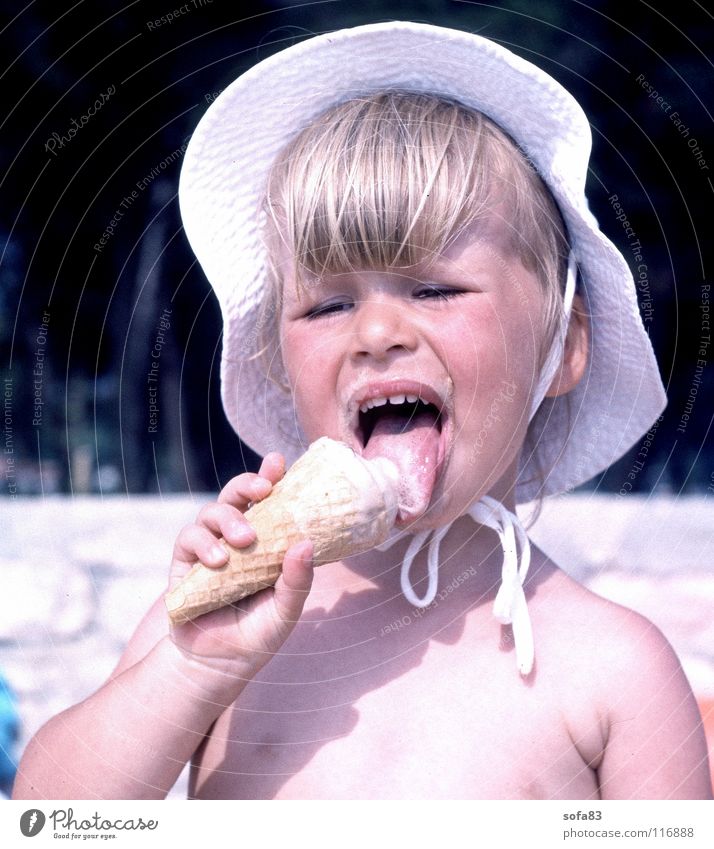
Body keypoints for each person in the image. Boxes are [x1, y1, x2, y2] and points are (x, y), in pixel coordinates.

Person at [13, 21, 711, 800]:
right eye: (328, 304)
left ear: (563, 345)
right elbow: (47, 819)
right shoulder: (229, 627)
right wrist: (191, 666)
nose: (377, 333)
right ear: (279, 361)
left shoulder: (613, 671)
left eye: (436, 289)